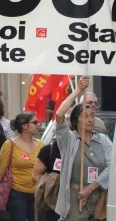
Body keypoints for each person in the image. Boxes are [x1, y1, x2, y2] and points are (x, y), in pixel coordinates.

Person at [54, 76, 112, 220]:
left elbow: (112, 166)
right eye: (85, 116)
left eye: (92, 115)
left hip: (99, 194)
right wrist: (79, 90)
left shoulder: (102, 140)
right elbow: (59, 114)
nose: (91, 119)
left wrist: (91, 187)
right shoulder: (69, 140)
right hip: (76, 197)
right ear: (75, 120)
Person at [0, 112, 44, 221]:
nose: (39, 125)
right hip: (17, 195)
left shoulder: (41, 145)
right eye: (35, 122)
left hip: (36, 195)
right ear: (24, 126)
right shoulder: (10, 145)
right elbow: (1, 171)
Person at [32, 139, 61, 221]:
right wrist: (50, 184)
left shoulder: (78, 150)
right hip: (50, 203)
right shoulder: (49, 149)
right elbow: (35, 176)